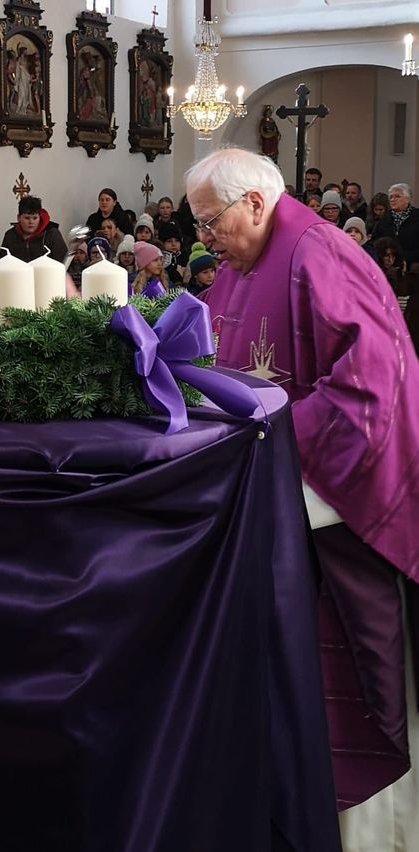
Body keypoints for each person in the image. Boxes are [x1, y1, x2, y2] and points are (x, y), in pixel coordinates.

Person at [185, 147, 419, 818]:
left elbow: (373, 388)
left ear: (255, 203)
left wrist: (267, 443)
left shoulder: (320, 254)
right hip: (268, 496)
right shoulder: (237, 266)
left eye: (210, 222)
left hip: (327, 510)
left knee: (340, 676)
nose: (203, 239)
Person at [0, 195, 67, 264]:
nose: (31, 222)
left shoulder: (52, 234)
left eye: (35, 218)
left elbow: (63, 263)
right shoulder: (10, 236)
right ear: (19, 218)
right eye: (27, 218)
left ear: (39, 217)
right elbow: (2, 263)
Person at [375, 183, 419, 269]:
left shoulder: (417, 217)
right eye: (391, 197)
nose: (393, 199)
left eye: (397, 196)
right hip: (387, 264)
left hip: (413, 264)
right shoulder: (384, 219)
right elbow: (375, 240)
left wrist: (405, 258)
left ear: (408, 199)